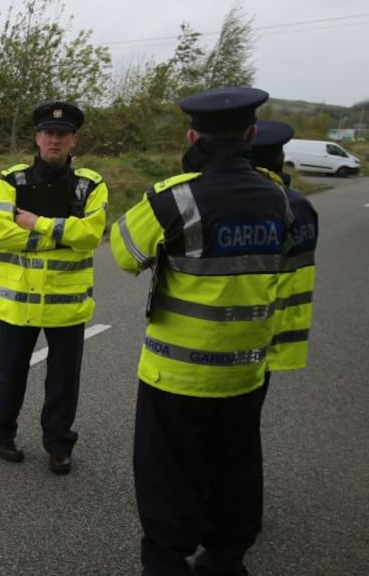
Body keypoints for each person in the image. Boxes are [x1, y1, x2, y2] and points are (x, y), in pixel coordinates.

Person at [110, 87, 295, 576]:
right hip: (245, 372)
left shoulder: (176, 196)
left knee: (167, 475)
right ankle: (225, 560)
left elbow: (125, 252)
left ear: (192, 138)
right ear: (252, 135)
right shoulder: (281, 198)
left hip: (176, 373)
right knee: (235, 470)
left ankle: (169, 562)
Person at [0, 101, 109, 475]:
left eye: (63, 134)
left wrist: (36, 223)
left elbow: (90, 236)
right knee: (9, 373)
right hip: (17, 302)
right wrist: (60, 234)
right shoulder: (12, 180)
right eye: (48, 133)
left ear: (74, 140)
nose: (55, 140)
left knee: (63, 381)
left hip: (66, 305)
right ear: (37, 137)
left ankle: (58, 445)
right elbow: (1, 235)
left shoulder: (91, 184)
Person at [250, 119, 318, 375]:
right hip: (275, 338)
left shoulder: (226, 200)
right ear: (279, 158)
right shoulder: (299, 206)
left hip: (227, 339)